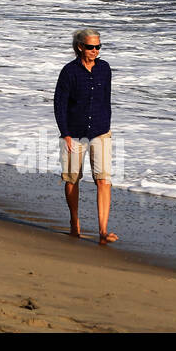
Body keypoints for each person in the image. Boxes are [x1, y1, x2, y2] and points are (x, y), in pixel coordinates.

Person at [53, 28, 117, 244]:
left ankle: (103, 231)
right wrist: (66, 134)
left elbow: (105, 99)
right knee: (72, 180)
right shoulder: (69, 72)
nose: (95, 51)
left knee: (103, 180)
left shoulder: (105, 69)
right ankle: (74, 222)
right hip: (74, 132)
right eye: (91, 47)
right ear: (80, 47)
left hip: (101, 131)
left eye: (98, 46)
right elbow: (59, 104)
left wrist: (106, 124)